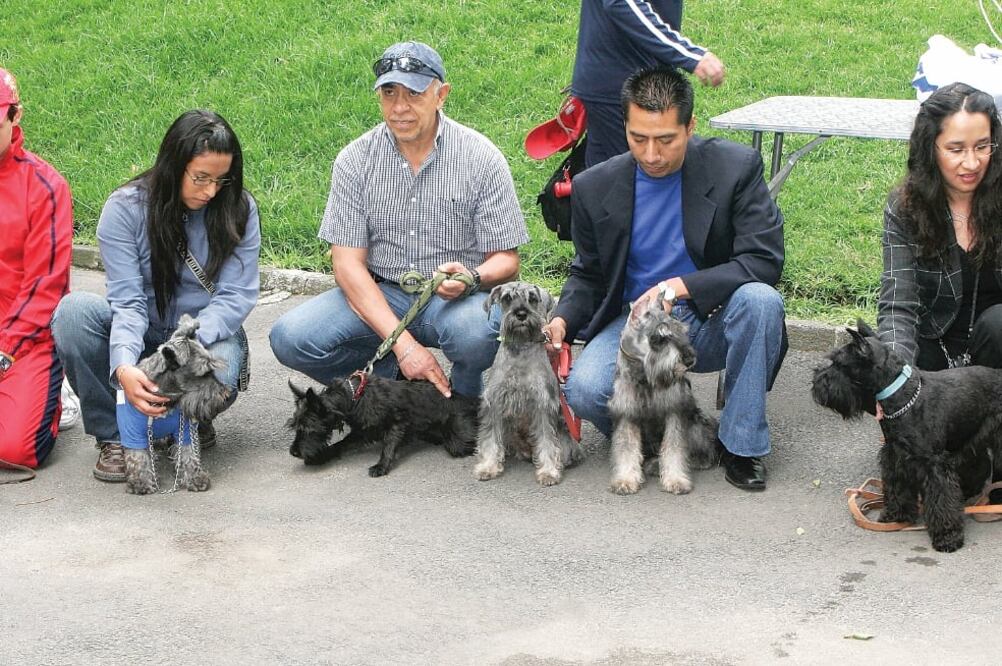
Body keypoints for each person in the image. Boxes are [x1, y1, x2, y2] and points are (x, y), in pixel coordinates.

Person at [544, 66, 786, 491]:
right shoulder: (593, 185)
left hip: (710, 316)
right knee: (585, 389)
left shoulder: (736, 167)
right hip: (635, 322)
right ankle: (665, 435)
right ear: (625, 127)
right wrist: (562, 319)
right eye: (639, 138)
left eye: (666, 140)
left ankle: (741, 446)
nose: (652, 154)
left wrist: (679, 286)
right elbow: (588, 273)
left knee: (761, 301)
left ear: (690, 126)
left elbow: (764, 260)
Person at [270, 41, 528, 398]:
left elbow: (507, 259)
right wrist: (404, 348)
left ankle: (466, 399)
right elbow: (346, 264)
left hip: (453, 299)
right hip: (383, 290)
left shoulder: (482, 158)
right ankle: (402, 386)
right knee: (291, 338)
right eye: (389, 93)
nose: (400, 107)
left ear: (442, 95)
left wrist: (473, 277)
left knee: (476, 332)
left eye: (414, 93)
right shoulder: (354, 159)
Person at [53, 110, 260, 482]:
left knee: (224, 365)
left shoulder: (239, 207)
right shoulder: (124, 209)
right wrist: (125, 368)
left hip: (203, 336)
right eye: (200, 178)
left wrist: (183, 346)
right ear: (173, 165)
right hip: (141, 328)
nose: (211, 191)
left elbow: (235, 296)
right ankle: (114, 436)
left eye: (220, 180)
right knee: (74, 314)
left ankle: (186, 423)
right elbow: (127, 303)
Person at [878, 83, 1002, 372]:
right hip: (934, 352)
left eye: (983, 146)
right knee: (889, 364)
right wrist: (896, 380)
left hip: (995, 357)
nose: (972, 162)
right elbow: (898, 306)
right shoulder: (904, 207)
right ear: (930, 148)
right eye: (956, 149)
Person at [0, 67, 73, 471]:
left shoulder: (46, 187)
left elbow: (46, 287)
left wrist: (4, 351)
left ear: (15, 116)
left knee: (14, 450)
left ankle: (55, 396)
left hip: (23, 339)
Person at [572, 0, 726, 169]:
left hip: (625, 79)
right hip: (620, 85)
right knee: (631, 180)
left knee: (604, 182)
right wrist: (689, 55)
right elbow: (620, 3)